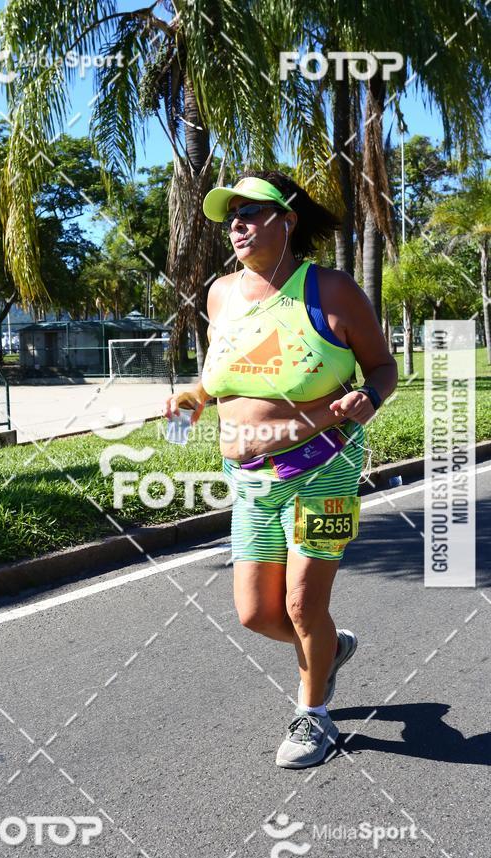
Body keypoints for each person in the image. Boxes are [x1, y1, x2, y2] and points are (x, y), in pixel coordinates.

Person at [163, 171, 397, 769]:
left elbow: (381, 367)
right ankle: (329, 650)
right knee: (256, 614)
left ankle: (312, 715)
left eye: (251, 212)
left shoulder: (331, 290)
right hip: (251, 483)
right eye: (230, 216)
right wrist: (189, 400)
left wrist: (368, 397)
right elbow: (221, 379)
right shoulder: (220, 295)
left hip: (328, 472)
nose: (236, 224)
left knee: (300, 603)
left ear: (286, 220)